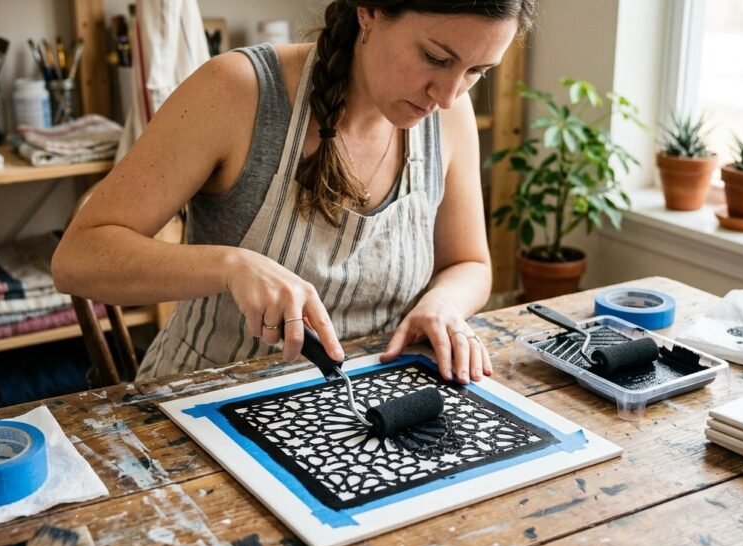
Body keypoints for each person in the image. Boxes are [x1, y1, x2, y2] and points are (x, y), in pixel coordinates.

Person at [52, 0, 536, 384]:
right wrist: (232, 266)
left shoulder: (450, 115)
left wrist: (444, 303)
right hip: (206, 398)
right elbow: (77, 259)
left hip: (366, 400)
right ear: (369, 11)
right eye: (435, 58)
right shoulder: (237, 90)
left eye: (477, 71)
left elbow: (469, 264)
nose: (448, 95)